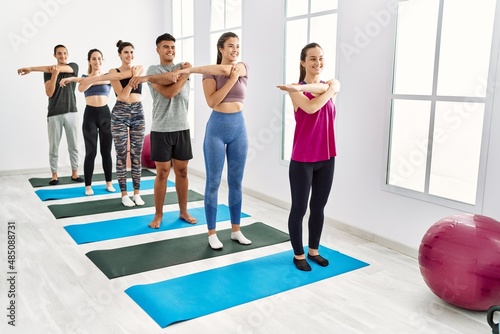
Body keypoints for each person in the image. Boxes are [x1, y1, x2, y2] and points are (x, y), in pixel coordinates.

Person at [177, 31, 251, 250]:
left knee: (236, 182)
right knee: (214, 182)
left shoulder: (243, 67)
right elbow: (212, 101)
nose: (235, 50)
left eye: (237, 45)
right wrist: (231, 81)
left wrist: (190, 69)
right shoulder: (208, 75)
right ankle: (212, 232)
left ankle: (236, 229)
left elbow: (225, 69)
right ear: (220, 49)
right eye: (230, 46)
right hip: (216, 129)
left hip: (239, 128)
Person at [277, 42, 340, 271]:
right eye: (312, 58)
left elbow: (330, 89)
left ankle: (314, 250)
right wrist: (332, 89)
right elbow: (312, 108)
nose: (318, 62)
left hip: (327, 156)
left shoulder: (328, 86)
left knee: (319, 207)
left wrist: (331, 88)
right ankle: (298, 254)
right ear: (303, 62)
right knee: (299, 208)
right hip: (303, 159)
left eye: (321, 58)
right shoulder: (296, 89)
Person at [128, 33, 197, 228]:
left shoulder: (182, 68)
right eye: (166, 47)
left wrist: (182, 73)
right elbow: (169, 92)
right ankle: (158, 215)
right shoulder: (154, 70)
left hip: (182, 128)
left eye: (173, 47)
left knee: (182, 171)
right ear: (158, 49)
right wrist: (185, 74)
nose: (170, 50)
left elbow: (172, 83)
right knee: (162, 173)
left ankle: (183, 211)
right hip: (161, 129)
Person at [81, 40, 146, 207]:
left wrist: (132, 76)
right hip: (120, 113)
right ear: (119, 54)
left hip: (138, 111)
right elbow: (122, 96)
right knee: (121, 154)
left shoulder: (139, 68)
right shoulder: (112, 72)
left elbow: (137, 74)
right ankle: (124, 194)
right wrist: (132, 80)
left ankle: (137, 193)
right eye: (126, 52)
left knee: (136, 155)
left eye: (131, 52)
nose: (129, 55)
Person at [17, 44, 83, 185]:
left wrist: (31, 69)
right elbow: (49, 93)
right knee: (54, 146)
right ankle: (54, 175)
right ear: (55, 55)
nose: (63, 56)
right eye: (59, 54)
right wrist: (54, 75)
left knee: (74, 145)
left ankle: (75, 173)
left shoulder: (73, 67)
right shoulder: (48, 72)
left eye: (65, 53)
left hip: (72, 111)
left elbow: (57, 68)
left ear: (68, 54)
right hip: (54, 113)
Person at [60, 49, 116, 196]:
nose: (97, 62)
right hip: (90, 115)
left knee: (106, 152)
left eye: (99, 59)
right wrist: (81, 79)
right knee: (91, 152)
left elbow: (104, 80)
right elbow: (81, 88)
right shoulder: (84, 77)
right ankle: (88, 186)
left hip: (105, 115)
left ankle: (109, 182)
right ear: (89, 61)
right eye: (94, 59)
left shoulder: (108, 77)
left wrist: (77, 79)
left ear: (102, 60)